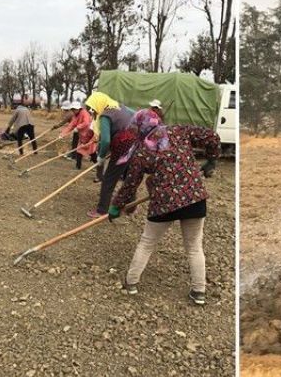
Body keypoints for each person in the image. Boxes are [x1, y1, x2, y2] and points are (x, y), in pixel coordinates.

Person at [109, 109, 218, 305]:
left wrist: (117, 206)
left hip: (163, 203)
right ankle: (199, 292)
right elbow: (211, 136)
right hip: (194, 198)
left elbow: (130, 183)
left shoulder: (142, 150)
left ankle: (131, 283)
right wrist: (212, 159)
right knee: (194, 247)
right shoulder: (178, 131)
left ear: (139, 126)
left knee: (147, 243)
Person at [84, 92, 137, 218]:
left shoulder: (105, 115)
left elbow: (106, 140)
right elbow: (136, 115)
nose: (93, 110)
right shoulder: (120, 107)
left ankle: (102, 210)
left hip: (122, 147)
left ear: (98, 103)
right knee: (130, 176)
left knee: (109, 179)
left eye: (93, 107)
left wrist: (101, 157)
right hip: (135, 143)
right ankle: (131, 208)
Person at [60, 102, 92, 169]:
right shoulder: (75, 115)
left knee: (91, 150)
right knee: (79, 150)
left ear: (78, 109)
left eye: (74, 109)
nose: (73, 111)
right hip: (82, 135)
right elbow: (71, 125)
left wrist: (78, 127)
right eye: (72, 109)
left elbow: (86, 123)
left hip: (88, 134)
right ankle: (78, 166)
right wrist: (63, 134)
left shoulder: (84, 113)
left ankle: (96, 164)